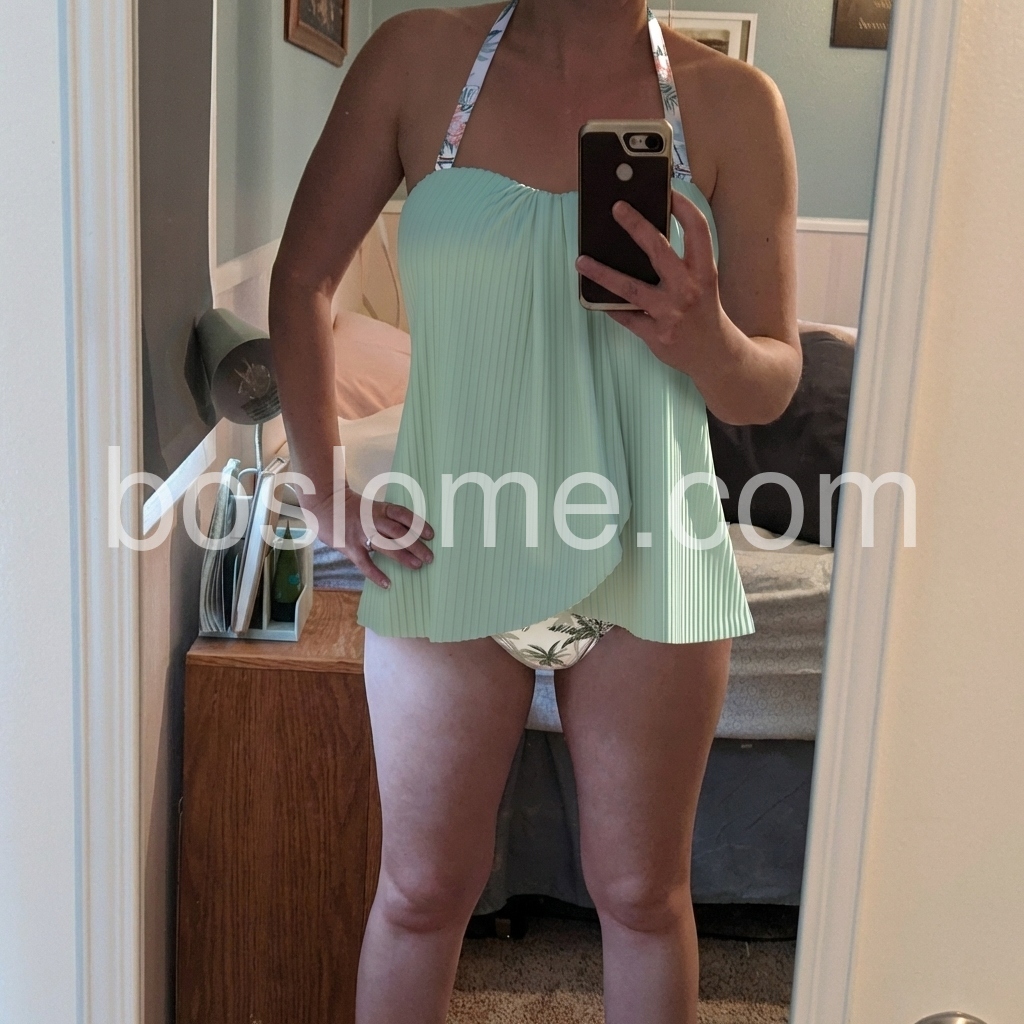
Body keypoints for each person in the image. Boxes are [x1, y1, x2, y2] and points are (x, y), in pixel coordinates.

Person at [268, 1, 801, 1021]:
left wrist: (709, 340)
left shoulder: (734, 102)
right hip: (448, 543)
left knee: (643, 898)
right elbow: (301, 281)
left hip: (653, 545)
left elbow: (767, 386)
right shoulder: (415, 59)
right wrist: (323, 487)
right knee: (419, 893)